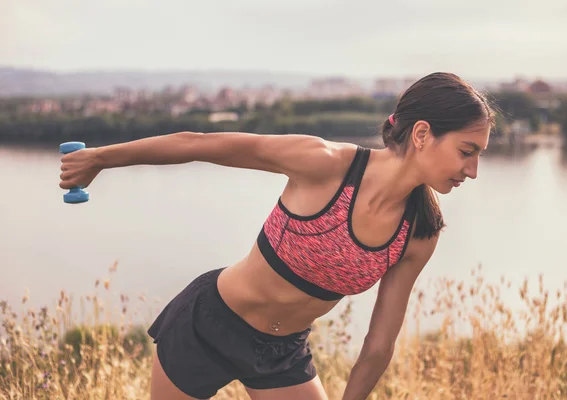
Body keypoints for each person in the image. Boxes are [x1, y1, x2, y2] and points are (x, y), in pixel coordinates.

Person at [59, 72, 494, 400]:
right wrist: (99, 158)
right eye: (466, 152)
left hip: (281, 353)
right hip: (209, 325)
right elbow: (200, 143)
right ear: (422, 134)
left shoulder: (418, 233)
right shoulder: (325, 164)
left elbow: (379, 345)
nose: (472, 171)